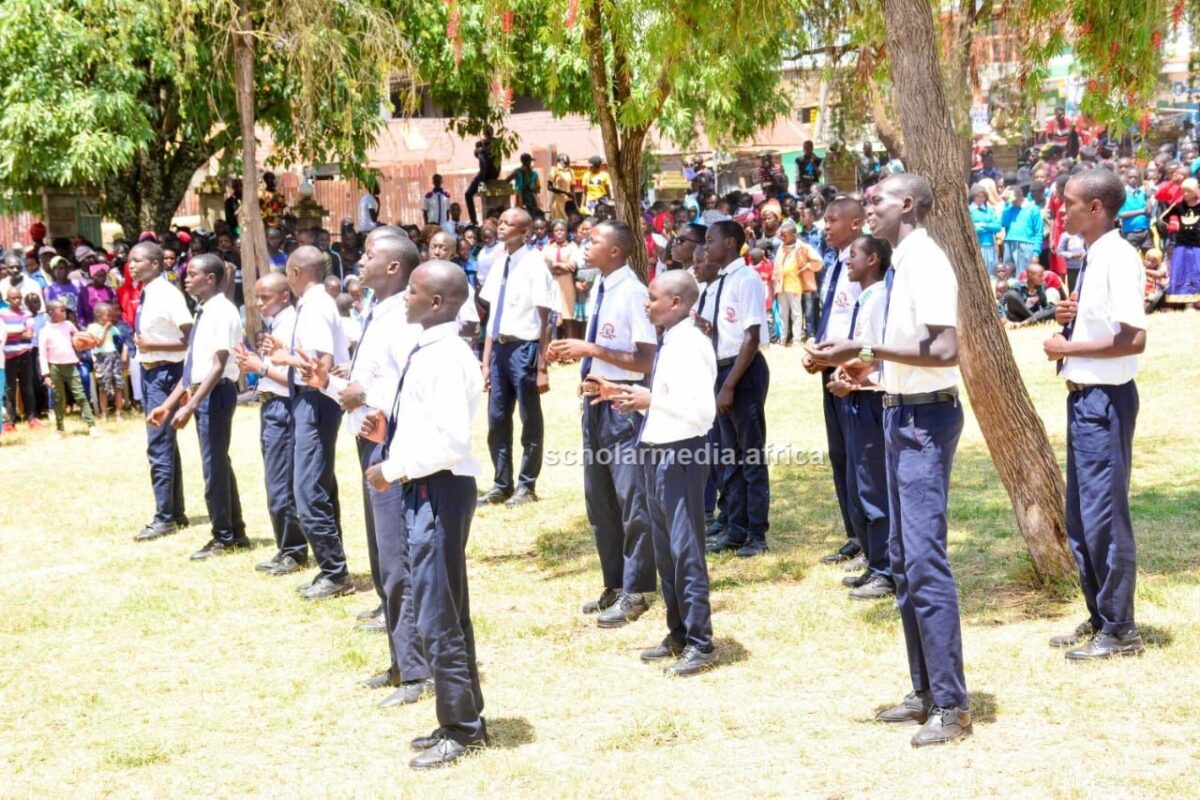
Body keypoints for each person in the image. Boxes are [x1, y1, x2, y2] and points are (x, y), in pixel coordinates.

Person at [809, 173, 971, 747]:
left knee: (924, 560)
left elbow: (946, 349)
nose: (867, 208)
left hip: (926, 419)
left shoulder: (926, 260)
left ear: (907, 205)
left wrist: (866, 350)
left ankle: (952, 706)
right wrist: (865, 373)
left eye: (876, 200)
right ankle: (925, 690)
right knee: (903, 556)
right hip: (899, 410)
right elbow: (910, 352)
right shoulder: (903, 262)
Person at [361, 260, 488, 770]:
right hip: (429, 486)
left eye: (413, 291)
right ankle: (463, 714)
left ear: (437, 303)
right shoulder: (431, 350)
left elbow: (452, 441)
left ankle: (462, 729)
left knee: (437, 615)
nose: (405, 298)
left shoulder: (445, 356)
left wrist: (392, 468)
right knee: (447, 609)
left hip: (438, 488)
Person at [303, 229, 435, 701]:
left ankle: (418, 671)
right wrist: (330, 383)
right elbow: (366, 382)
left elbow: (404, 384)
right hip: (368, 438)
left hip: (391, 443)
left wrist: (364, 394)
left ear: (394, 267)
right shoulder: (377, 310)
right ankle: (401, 661)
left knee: (398, 560)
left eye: (370, 256)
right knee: (382, 561)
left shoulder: (404, 314)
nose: (360, 262)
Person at [1043, 169, 1147, 660]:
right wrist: (1074, 317)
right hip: (1084, 398)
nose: (1063, 209)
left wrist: (1067, 344)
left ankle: (1122, 629)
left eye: (1070, 202)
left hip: (1105, 402)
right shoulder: (1095, 255)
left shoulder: (1119, 257)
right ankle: (1101, 614)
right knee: (1082, 517)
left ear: (1097, 208)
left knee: (1105, 517)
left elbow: (1134, 337)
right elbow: (1106, 321)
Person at [547, 220, 657, 627]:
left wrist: (589, 348)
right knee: (601, 502)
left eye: (594, 241)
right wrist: (584, 364)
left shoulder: (632, 293)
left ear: (616, 251)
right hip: (596, 401)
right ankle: (615, 582)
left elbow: (647, 359)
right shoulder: (602, 288)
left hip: (622, 405)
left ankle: (639, 588)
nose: (585, 245)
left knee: (632, 501)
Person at [608, 270, 718, 676]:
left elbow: (701, 411)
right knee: (665, 548)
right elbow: (669, 400)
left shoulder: (692, 343)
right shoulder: (672, 339)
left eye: (653, 297)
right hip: (656, 452)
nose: (646, 303)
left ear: (676, 302)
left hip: (681, 455)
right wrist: (637, 402)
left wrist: (651, 398)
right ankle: (678, 632)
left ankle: (701, 642)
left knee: (686, 547)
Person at [265, 246, 353, 600]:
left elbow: (315, 364)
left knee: (307, 489)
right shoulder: (314, 304)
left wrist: (280, 355)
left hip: (314, 401)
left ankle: (335, 571)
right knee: (319, 484)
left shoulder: (315, 305)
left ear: (296, 272)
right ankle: (332, 564)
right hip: (313, 400)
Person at [148, 254, 248, 560]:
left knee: (213, 467)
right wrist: (167, 404)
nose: (185, 278)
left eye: (193, 274)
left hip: (215, 394)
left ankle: (223, 536)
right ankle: (235, 530)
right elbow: (193, 368)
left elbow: (218, 365)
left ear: (211, 278)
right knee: (218, 463)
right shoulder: (203, 310)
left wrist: (191, 405)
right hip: (204, 392)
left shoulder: (223, 312)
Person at [824, 235, 894, 600]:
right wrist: (842, 370)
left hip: (871, 398)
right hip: (856, 394)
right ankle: (874, 561)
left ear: (874, 260)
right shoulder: (865, 298)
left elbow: (877, 350)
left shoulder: (880, 297)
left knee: (874, 488)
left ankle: (886, 569)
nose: (847, 261)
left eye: (854, 255)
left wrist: (854, 374)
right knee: (858, 484)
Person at [699, 220, 771, 558]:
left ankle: (757, 532)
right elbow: (726, 328)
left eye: (711, 240)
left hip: (741, 373)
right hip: (721, 370)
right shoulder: (720, 282)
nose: (707, 246)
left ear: (730, 242)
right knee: (729, 455)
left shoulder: (747, 279)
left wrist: (728, 386)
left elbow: (751, 337)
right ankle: (736, 528)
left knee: (750, 456)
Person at [231, 274, 308, 577]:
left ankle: (292, 549)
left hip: (284, 407)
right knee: (276, 481)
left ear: (285, 296)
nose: (259, 303)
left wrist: (258, 366)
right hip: (271, 405)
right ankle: (288, 546)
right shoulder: (278, 324)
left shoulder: (290, 325)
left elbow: (294, 379)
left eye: (266, 297)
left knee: (281, 484)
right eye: (257, 297)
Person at [477, 208, 553, 507]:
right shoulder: (500, 264)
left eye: (509, 224)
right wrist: (485, 362)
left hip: (525, 348)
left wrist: (543, 365)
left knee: (529, 419)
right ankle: (501, 483)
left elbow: (546, 318)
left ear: (525, 233)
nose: (502, 227)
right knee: (496, 419)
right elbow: (492, 318)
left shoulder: (535, 264)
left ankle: (526, 485)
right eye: (501, 222)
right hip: (499, 349)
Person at [805, 197, 865, 566]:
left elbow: (863, 321)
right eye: (824, 221)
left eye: (833, 220)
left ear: (856, 223)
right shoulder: (834, 265)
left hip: (854, 369)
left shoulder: (865, 263)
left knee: (859, 457)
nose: (826, 227)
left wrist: (846, 360)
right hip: (830, 365)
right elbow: (834, 318)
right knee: (840, 455)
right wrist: (817, 350)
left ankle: (869, 539)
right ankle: (854, 534)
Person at [130, 242, 191, 541]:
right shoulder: (149, 291)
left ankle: (164, 517)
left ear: (156, 263)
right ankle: (175, 511)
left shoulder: (168, 293)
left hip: (166, 372)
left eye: (137, 260)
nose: (131, 265)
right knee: (165, 444)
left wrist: (153, 346)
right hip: (151, 370)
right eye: (129, 260)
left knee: (158, 445)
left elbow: (190, 337)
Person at [38, 300, 96, 436]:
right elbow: (42, 355)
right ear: (51, 312)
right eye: (61, 310)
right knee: (58, 398)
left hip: (70, 365)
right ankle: (60, 429)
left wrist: (83, 345)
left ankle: (91, 425)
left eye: (65, 310)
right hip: (54, 367)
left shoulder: (68, 325)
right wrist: (46, 375)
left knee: (80, 395)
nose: (65, 313)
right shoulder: (45, 331)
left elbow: (78, 339)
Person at [2, 287, 40, 430]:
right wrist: (18, 332)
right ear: (8, 299)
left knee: (28, 387)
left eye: (19, 297)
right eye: (13, 298)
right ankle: (10, 421)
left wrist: (10, 333)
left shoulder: (27, 314)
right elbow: (2, 333)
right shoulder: (2, 314)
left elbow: (29, 334)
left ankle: (32, 417)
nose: (17, 300)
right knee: (9, 389)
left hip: (25, 353)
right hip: (8, 356)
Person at [86, 303, 126, 422]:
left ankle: (119, 413)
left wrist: (123, 357)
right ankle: (104, 413)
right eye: (108, 316)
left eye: (112, 316)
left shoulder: (114, 328)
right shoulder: (92, 327)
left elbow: (120, 344)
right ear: (98, 315)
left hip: (114, 355)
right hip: (101, 358)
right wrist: (105, 329)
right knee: (103, 386)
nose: (111, 319)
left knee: (118, 385)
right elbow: (98, 343)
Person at [1163, 178, 1200, 305]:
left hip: (1198, 245)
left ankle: (1198, 301)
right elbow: (1163, 217)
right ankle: (1185, 302)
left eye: (1188, 191)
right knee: (1181, 272)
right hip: (1182, 245)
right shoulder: (1179, 206)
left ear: (1196, 191)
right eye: (1183, 191)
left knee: (1197, 272)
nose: (1185, 194)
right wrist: (1174, 223)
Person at [544, 220, 580, 339]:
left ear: (566, 232)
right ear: (553, 233)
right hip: (551, 284)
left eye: (562, 230)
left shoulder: (572, 247)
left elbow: (571, 266)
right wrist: (560, 265)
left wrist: (553, 266)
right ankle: (556, 349)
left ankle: (570, 350)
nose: (559, 233)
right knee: (553, 316)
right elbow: (542, 265)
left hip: (566, 285)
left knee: (568, 315)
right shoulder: (548, 247)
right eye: (556, 230)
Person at [1001, 262, 1057, 327]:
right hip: (1020, 316)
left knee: (1055, 308)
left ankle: (1027, 322)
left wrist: (1048, 313)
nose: (1042, 278)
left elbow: (1044, 305)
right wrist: (1003, 317)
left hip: (1034, 315)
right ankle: (1033, 320)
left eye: (1043, 275)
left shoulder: (1042, 286)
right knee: (1011, 295)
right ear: (1029, 275)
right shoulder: (1017, 287)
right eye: (1040, 276)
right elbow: (1001, 303)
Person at [1003, 187, 1043, 272]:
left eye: (1014, 200)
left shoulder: (1033, 209)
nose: (1012, 202)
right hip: (1009, 243)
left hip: (1026, 245)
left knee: (1024, 275)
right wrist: (1006, 204)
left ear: (1020, 196)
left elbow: (1038, 232)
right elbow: (1003, 223)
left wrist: (1036, 253)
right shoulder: (1009, 208)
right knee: (1009, 274)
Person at [969, 184, 1003, 276]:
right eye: (978, 196)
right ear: (973, 196)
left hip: (990, 246)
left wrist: (984, 225)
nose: (981, 199)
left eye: (983, 196)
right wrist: (987, 229)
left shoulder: (989, 210)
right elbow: (970, 229)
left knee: (992, 273)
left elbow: (998, 227)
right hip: (977, 246)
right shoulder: (969, 211)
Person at [548, 153, 575, 221]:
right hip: (558, 201)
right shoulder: (554, 170)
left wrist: (574, 201)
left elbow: (572, 187)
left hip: (568, 201)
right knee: (558, 221)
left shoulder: (571, 171)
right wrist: (565, 192)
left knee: (569, 220)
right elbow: (550, 187)